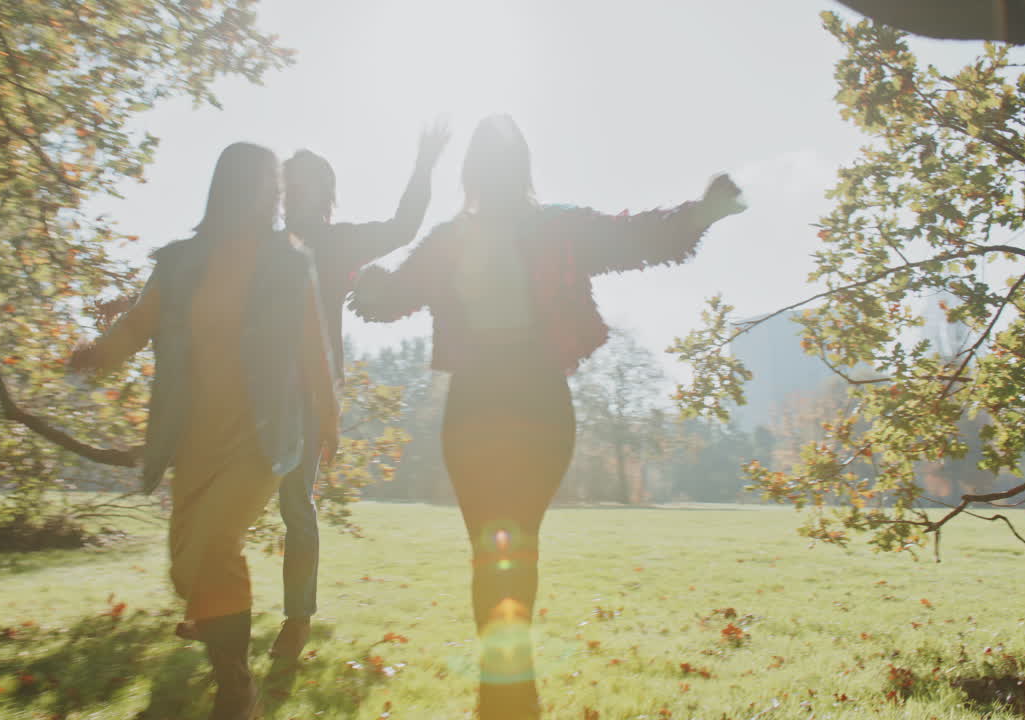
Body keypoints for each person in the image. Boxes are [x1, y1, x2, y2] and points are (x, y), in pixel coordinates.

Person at [349, 114, 746, 719]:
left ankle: (505, 699)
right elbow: (393, 296)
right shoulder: (451, 239)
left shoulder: (556, 228)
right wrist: (368, 283)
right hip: (478, 405)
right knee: (497, 553)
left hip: (534, 402)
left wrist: (699, 214)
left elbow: (633, 237)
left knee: (510, 549)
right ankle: (507, 699)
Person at [68, 142, 339, 720]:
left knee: (217, 545)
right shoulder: (182, 262)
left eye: (278, 183)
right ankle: (231, 671)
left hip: (261, 436)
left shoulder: (289, 261)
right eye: (267, 180)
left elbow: (310, 341)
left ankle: (234, 690)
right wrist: (98, 354)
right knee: (188, 564)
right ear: (236, 187)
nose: (276, 192)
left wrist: (329, 417)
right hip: (193, 435)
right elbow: (142, 319)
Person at [268, 122, 448, 660]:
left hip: (309, 393)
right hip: (252, 389)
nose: (290, 194)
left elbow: (404, 225)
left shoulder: (337, 242)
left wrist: (423, 161)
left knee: (295, 504)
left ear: (323, 193)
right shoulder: (264, 245)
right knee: (219, 490)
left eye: (300, 184)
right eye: (286, 184)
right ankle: (211, 606)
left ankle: (297, 619)